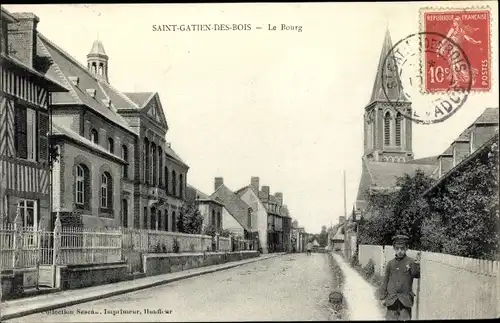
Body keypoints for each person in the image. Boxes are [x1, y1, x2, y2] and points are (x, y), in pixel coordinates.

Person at [378, 234, 421, 321]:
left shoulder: (411, 262)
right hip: (391, 299)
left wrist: (417, 264)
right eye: (397, 248)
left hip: (405, 301)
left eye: (402, 248)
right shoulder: (390, 263)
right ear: (394, 248)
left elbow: (416, 275)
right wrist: (382, 297)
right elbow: (385, 281)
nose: (400, 251)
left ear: (406, 248)